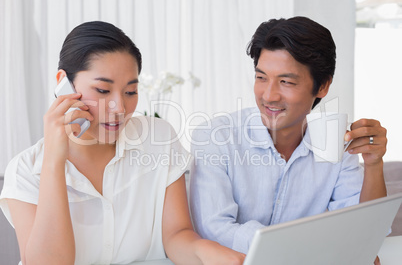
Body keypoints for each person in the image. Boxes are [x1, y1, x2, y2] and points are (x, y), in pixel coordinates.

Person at [0, 21, 245, 265]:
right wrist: (53, 161)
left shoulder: (159, 139)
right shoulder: (25, 170)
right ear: (64, 84)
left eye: (130, 92)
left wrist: (207, 252)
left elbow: (176, 235)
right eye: (103, 90)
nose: (119, 108)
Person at [189, 16, 387, 264]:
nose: (269, 95)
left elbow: (363, 232)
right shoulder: (216, 137)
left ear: (323, 86)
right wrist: (305, 248)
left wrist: (373, 164)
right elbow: (213, 229)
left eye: (286, 82)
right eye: (261, 78)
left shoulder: (335, 141)